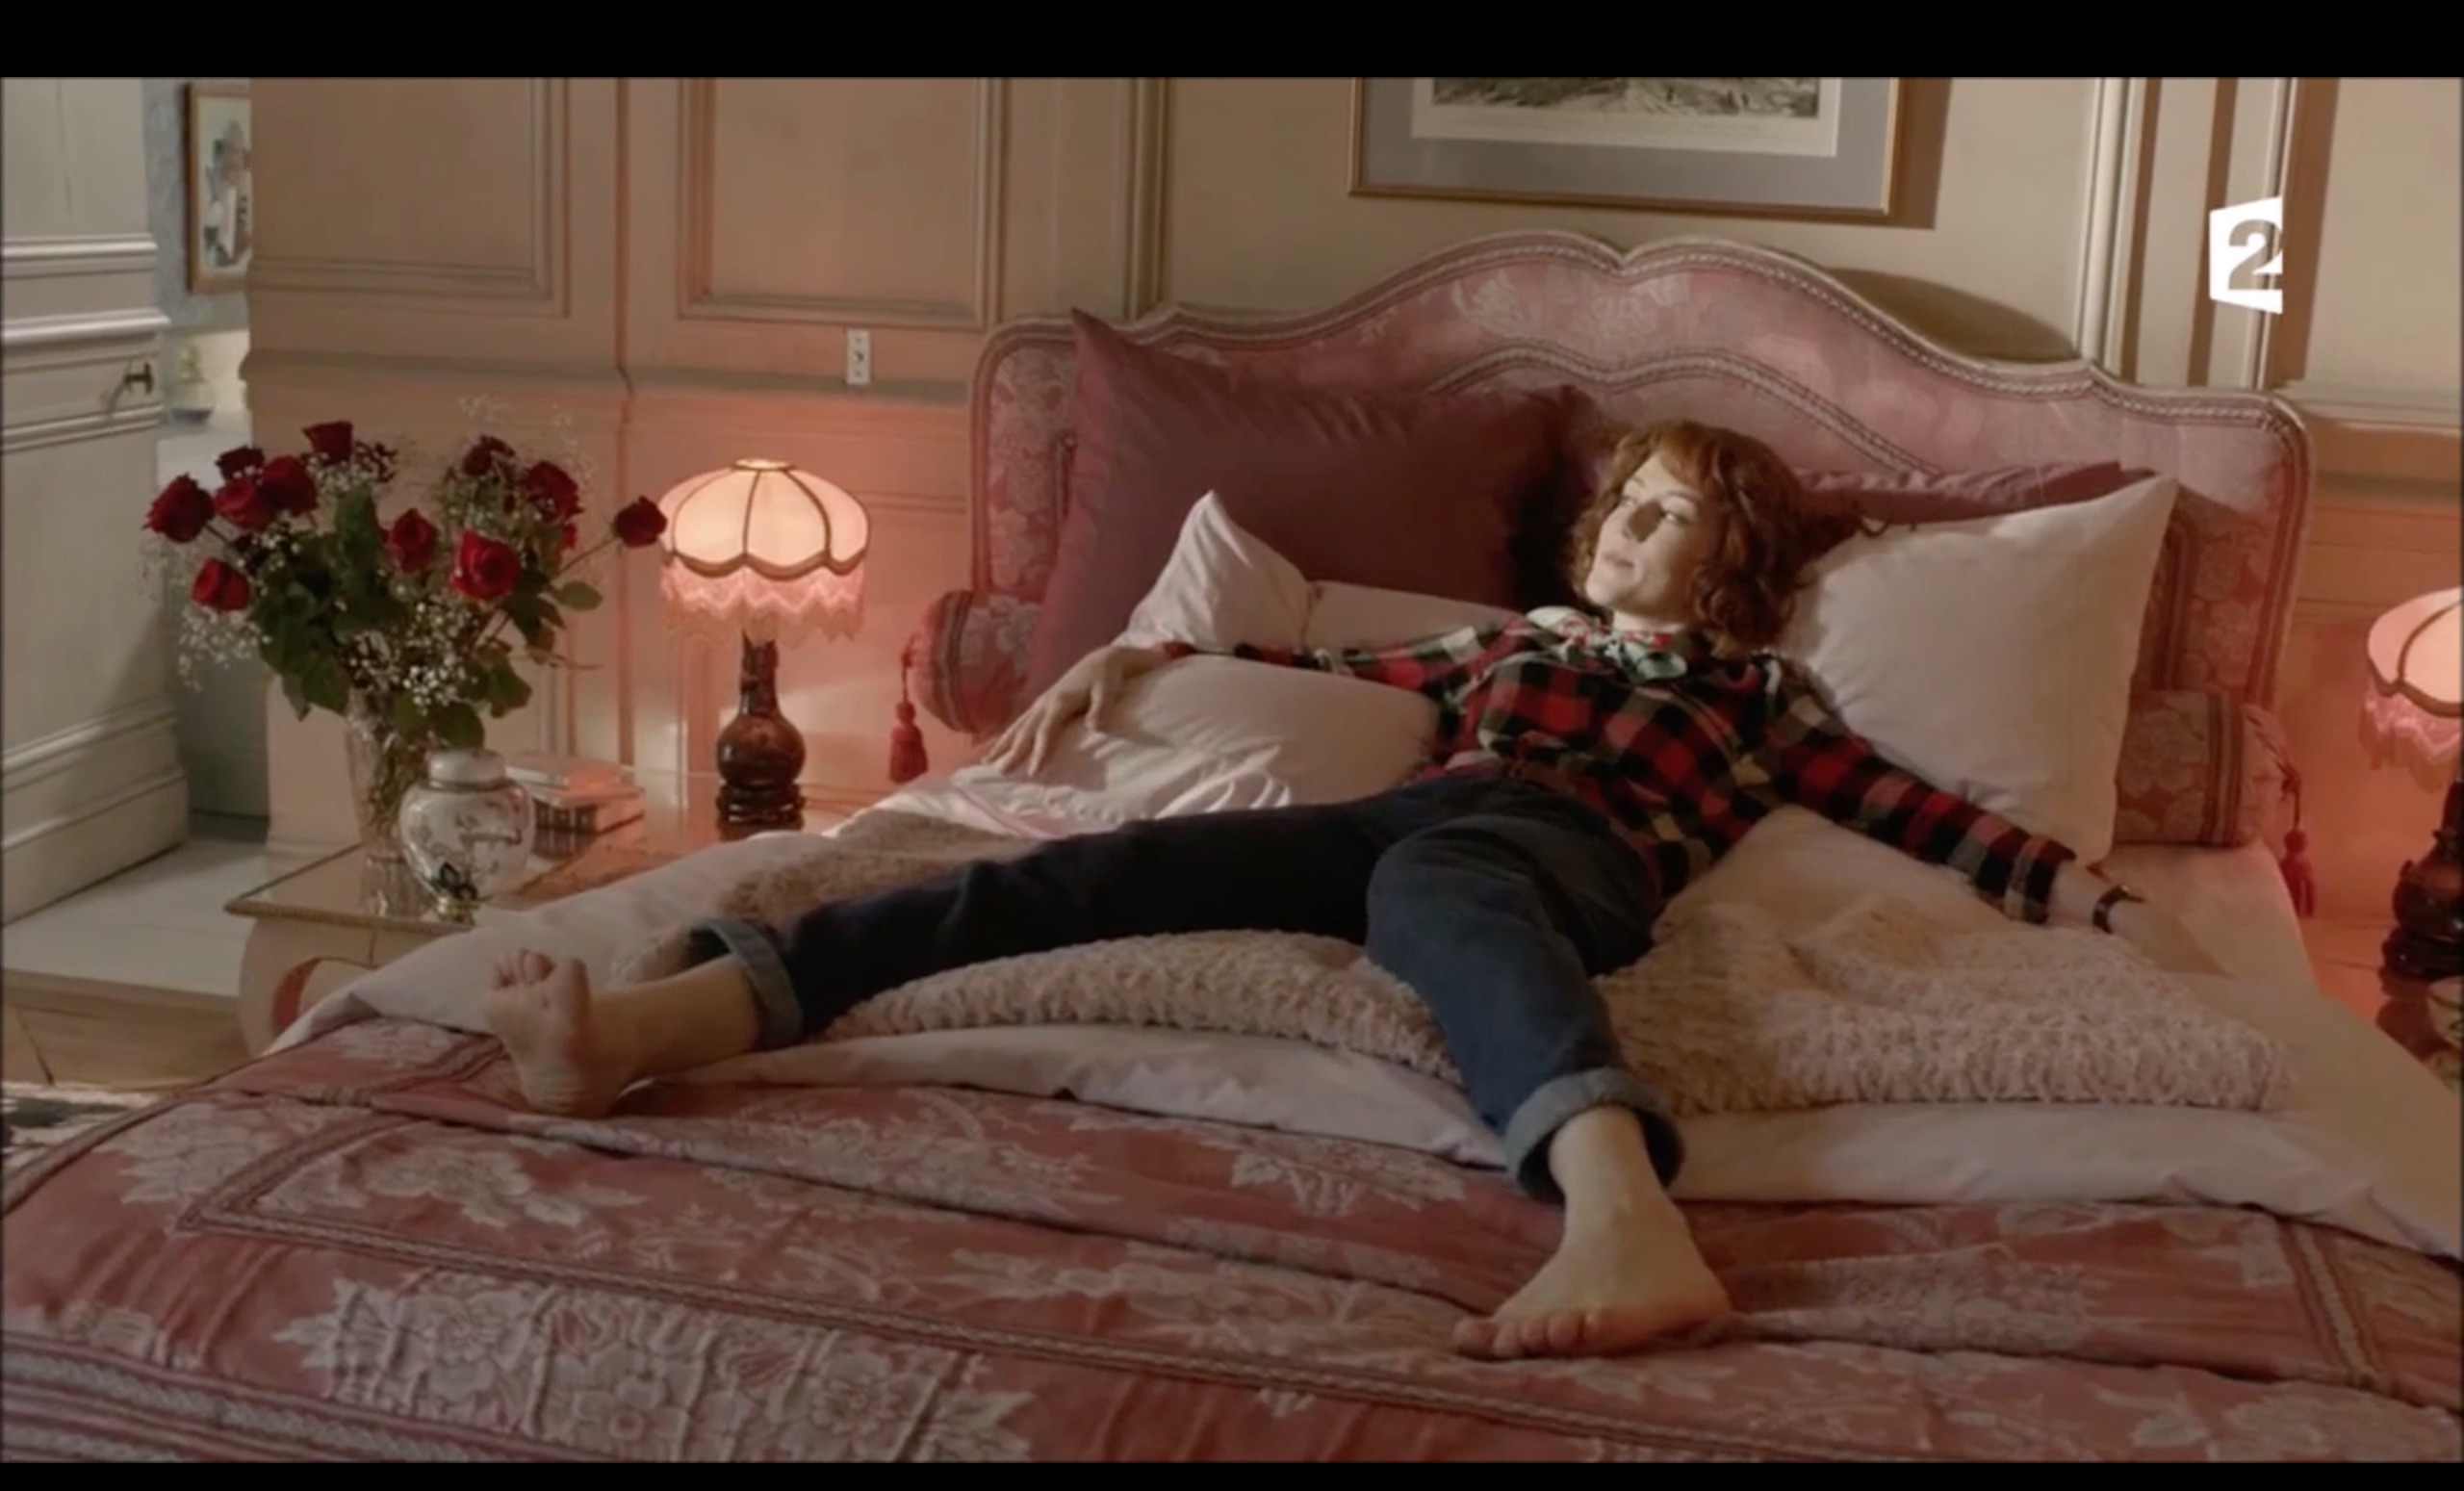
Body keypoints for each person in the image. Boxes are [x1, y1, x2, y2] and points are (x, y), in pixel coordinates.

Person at [482, 419, 2224, 1362]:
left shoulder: (1758, 698)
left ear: (1736, 554)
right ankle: (673, 1016)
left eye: (1675, 510)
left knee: (1456, 909)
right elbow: (1320, 664)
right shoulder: (1512, 643)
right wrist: (1139, 659)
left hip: (1570, 850)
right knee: (1096, 867)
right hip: (1411, 816)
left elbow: (1924, 815)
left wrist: (2103, 906)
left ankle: (1622, 1208)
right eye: (1627, 500)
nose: (1633, 524)